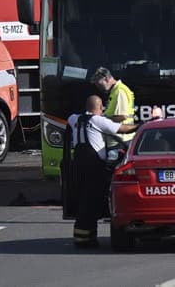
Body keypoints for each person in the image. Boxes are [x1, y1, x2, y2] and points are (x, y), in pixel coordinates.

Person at [67, 95, 139, 248]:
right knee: (92, 201)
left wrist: (108, 118)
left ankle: (83, 237)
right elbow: (123, 130)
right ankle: (85, 240)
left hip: (78, 166)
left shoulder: (74, 119)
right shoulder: (98, 121)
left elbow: (95, 118)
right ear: (100, 108)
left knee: (83, 201)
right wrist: (142, 125)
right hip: (94, 167)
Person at [90, 67, 137, 143]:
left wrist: (101, 120)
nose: (98, 88)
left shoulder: (119, 91)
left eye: (99, 85)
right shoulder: (115, 91)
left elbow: (122, 116)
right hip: (118, 138)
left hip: (120, 139)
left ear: (106, 79)